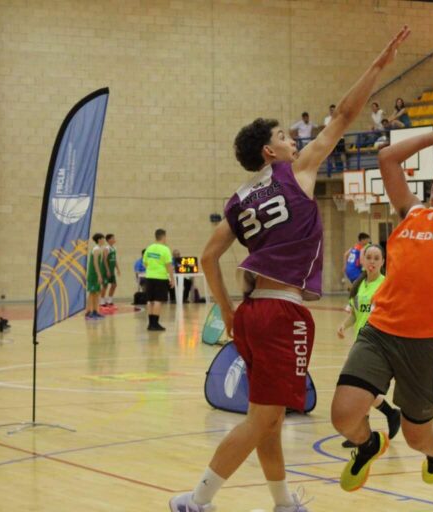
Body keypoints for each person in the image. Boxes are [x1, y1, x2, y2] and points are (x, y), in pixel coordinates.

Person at [168, 26, 410, 512]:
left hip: (255, 314)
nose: (293, 141)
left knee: (270, 419)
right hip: (282, 315)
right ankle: (197, 501)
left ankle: (283, 504)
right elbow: (344, 115)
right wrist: (379, 65)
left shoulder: (239, 199)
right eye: (283, 136)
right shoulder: (295, 173)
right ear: (270, 152)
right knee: (262, 421)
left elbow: (210, 256)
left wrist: (228, 311)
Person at [330, 81, 433, 493]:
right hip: (380, 332)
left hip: (427, 345)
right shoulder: (411, 213)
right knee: (344, 415)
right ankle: (368, 445)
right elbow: (387, 157)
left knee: (419, 436)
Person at [336, 244, 400, 448]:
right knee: (361, 389)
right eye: (368, 258)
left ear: (382, 262)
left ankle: (385, 417)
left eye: (376, 258)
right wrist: (343, 326)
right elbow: (355, 314)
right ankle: (366, 431)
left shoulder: (385, 285)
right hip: (360, 342)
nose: (371, 261)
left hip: (378, 344)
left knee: (359, 388)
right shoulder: (358, 284)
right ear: (362, 261)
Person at [143, 229, 174, 331]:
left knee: (150, 301)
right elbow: (169, 266)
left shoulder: (149, 248)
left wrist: (152, 268)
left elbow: (145, 263)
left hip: (149, 277)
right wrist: (172, 279)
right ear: (164, 237)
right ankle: (155, 324)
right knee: (157, 301)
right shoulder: (165, 249)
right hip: (160, 278)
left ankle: (150, 324)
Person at [85, 233, 106, 320]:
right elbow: (95, 263)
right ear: (99, 239)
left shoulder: (99, 249)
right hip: (93, 275)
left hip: (95, 274)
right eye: (103, 239)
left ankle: (95, 311)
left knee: (97, 293)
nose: (104, 240)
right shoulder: (96, 249)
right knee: (92, 293)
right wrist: (99, 275)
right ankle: (89, 312)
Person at [323, 104, 347, 172]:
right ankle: (334, 167)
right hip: (330, 139)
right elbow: (326, 128)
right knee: (331, 153)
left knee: (342, 152)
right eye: (331, 110)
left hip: (340, 137)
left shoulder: (339, 118)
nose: (332, 111)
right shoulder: (326, 119)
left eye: (333, 110)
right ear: (329, 111)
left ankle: (345, 167)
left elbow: (342, 127)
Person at [100, 233, 120, 312]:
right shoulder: (106, 248)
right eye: (113, 238)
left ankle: (109, 301)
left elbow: (114, 260)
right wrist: (107, 270)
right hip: (105, 270)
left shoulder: (114, 248)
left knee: (114, 285)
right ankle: (101, 302)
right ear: (109, 240)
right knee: (105, 286)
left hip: (112, 271)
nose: (114, 239)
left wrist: (118, 269)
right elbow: (104, 260)